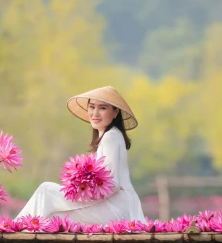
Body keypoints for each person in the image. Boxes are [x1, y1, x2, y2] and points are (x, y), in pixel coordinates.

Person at [14, 86, 145, 224]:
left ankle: (14, 228)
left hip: (116, 209)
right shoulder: (111, 135)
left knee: (46, 190)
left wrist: (82, 194)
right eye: (92, 107)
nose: (95, 113)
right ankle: (20, 228)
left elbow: (113, 184)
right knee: (51, 215)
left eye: (102, 108)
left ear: (115, 113)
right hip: (116, 207)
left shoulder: (110, 137)